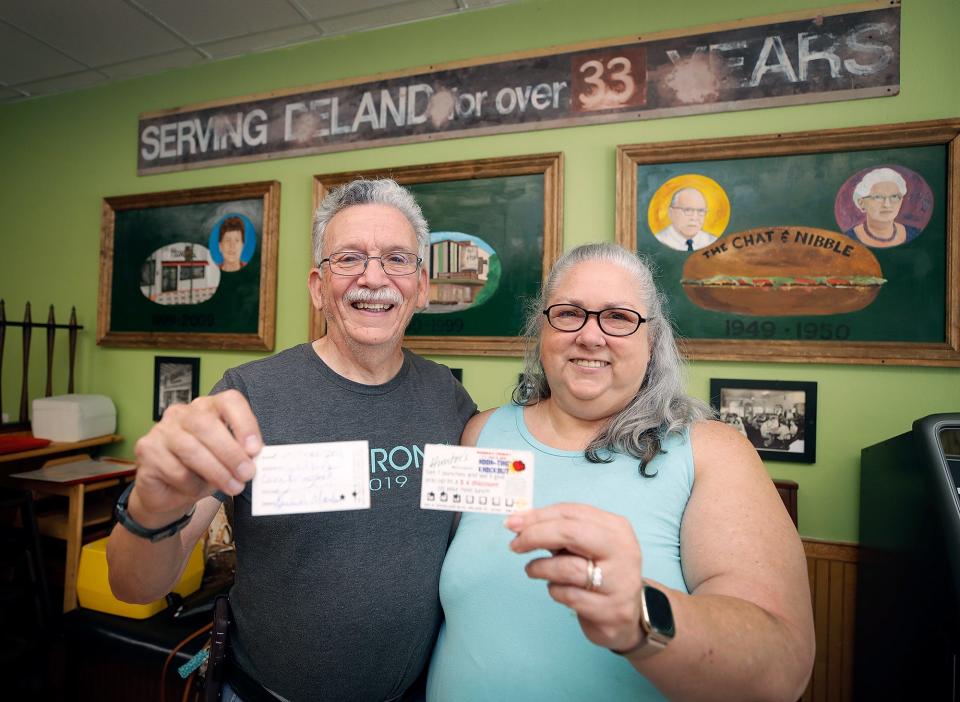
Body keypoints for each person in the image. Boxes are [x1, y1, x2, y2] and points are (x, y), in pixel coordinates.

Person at [107, 179, 477, 702]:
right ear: (317, 286)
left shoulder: (449, 397)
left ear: (420, 286)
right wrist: (151, 504)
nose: (374, 278)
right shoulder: (248, 394)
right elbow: (133, 586)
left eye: (397, 259)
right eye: (349, 259)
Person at [427, 243, 814, 701]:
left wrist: (640, 614)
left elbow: (782, 668)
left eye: (618, 317)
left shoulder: (713, 451)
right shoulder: (480, 433)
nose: (591, 336)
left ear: (652, 341)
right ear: (542, 328)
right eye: (570, 313)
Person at [844, 167, 919, 248]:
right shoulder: (847, 239)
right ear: (861, 203)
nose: (887, 205)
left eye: (894, 196)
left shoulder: (914, 233)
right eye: (878, 197)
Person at [654, 187, 717, 252]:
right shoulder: (659, 241)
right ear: (671, 213)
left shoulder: (713, 242)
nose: (694, 217)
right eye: (687, 210)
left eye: (701, 211)